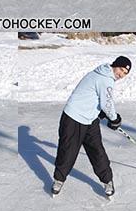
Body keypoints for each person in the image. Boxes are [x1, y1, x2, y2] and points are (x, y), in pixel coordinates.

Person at [52, 56, 131, 198]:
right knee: (68, 151)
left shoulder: (103, 74)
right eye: (121, 70)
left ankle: (107, 181)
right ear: (115, 66)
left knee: (97, 151)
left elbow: (94, 97)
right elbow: (107, 104)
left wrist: (99, 113)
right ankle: (59, 180)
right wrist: (114, 119)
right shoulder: (105, 79)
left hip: (90, 119)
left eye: (125, 73)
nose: (121, 75)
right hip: (73, 118)